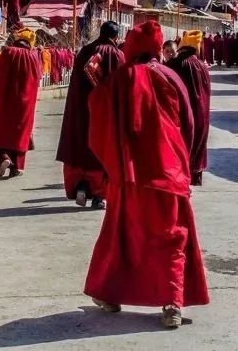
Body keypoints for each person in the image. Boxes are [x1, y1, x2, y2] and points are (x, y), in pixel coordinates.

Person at [84, 21, 210, 328]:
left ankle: (110, 295)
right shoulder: (170, 76)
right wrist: (185, 163)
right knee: (171, 238)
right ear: (157, 48)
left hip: (128, 177)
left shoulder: (117, 80)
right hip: (168, 173)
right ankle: (172, 304)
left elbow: (99, 124)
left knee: (122, 236)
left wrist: (97, 85)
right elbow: (190, 125)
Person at [57, 21, 124, 208]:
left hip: (81, 110)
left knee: (82, 146)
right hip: (104, 113)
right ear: (115, 37)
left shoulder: (85, 51)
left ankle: (81, 186)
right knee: (102, 149)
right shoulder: (116, 54)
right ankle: (99, 195)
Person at [0, 28, 44, 178]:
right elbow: (37, 79)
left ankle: (4, 157)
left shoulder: (8, 52)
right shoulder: (33, 57)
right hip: (25, 103)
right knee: (20, 134)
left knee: (0, 131)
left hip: (4, 100)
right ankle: (17, 167)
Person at [166, 30, 212, 186]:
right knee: (199, 142)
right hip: (203, 114)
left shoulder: (178, 63)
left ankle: (182, 178)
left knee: (184, 144)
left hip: (185, 113)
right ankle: (195, 176)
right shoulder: (202, 66)